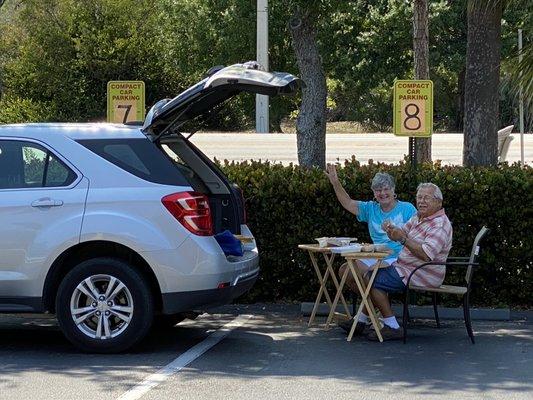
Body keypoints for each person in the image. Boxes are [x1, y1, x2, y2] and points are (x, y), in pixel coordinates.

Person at [324, 165, 416, 332]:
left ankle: (371, 319)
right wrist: (335, 182)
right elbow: (348, 202)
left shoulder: (407, 208)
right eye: (378, 190)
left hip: (398, 257)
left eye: (386, 189)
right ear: (374, 193)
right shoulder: (370, 208)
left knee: (366, 274)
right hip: (377, 255)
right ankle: (366, 316)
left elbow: (416, 235)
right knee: (345, 271)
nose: (382, 193)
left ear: (393, 189)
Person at [360, 182, 453, 341]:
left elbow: (426, 254)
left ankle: (392, 327)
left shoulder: (440, 224)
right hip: (406, 267)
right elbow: (401, 233)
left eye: (426, 198)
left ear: (439, 202)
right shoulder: (419, 217)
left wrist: (402, 238)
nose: (421, 201)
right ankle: (361, 320)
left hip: (423, 273)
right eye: (419, 197)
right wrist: (390, 230)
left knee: (372, 279)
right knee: (367, 273)